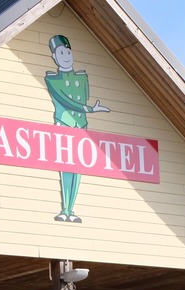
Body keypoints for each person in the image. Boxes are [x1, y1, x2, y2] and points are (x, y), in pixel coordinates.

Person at [45, 35, 109, 222]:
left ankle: (71, 211)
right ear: (55, 58)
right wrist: (91, 109)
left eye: (68, 52)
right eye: (61, 53)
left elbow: (84, 96)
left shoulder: (82, 78)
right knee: (66, 167)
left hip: (81, 126)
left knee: (78, 169)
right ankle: (65, 209)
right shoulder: (53, 80)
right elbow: (67, 101)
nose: (66, 56)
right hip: (64, 125)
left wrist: (88, 110)